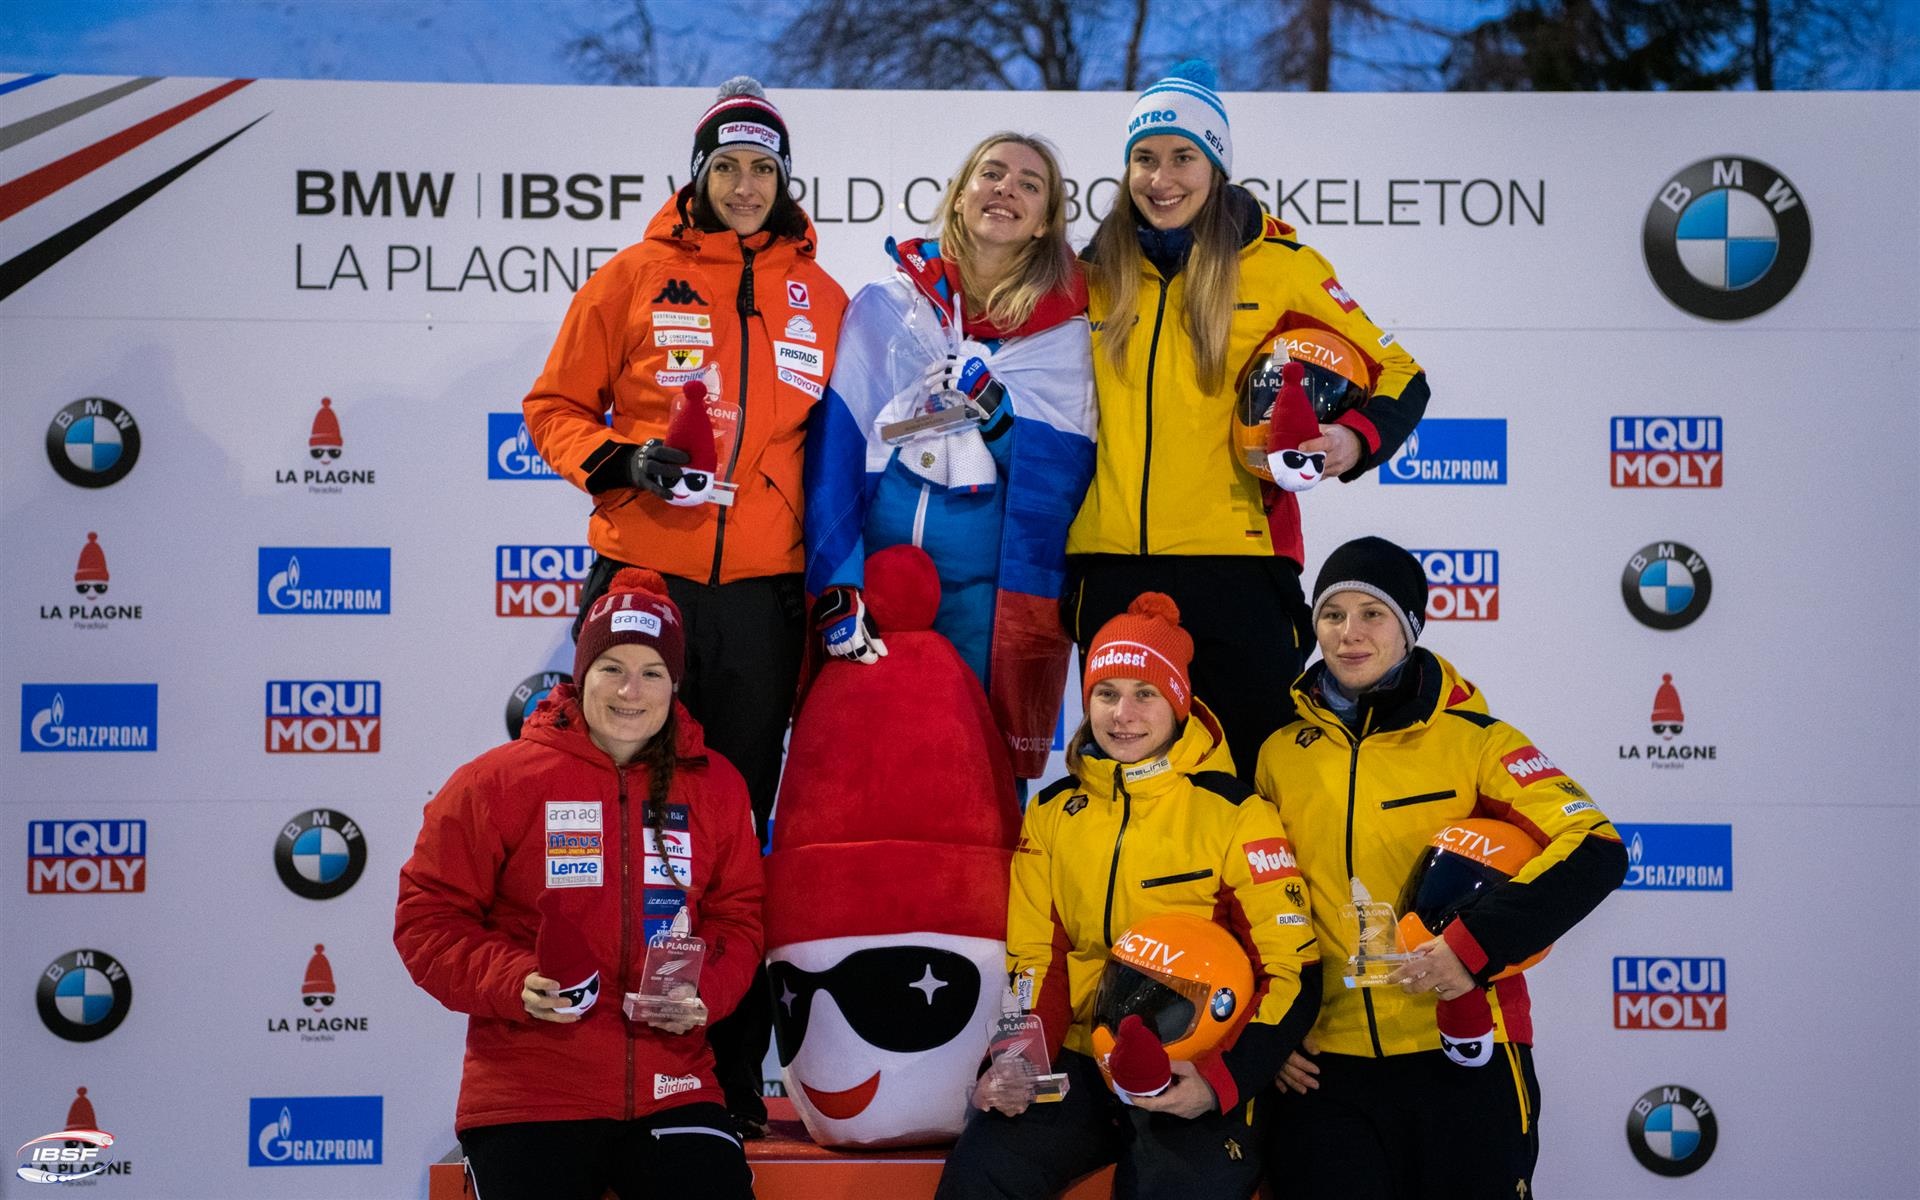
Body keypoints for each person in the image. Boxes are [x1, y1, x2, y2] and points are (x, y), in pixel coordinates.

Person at [522, 75, 847, 1133]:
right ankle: (593, 1057)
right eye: (727, 167)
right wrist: (622, 461)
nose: (745, 186)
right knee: (613, 811)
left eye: (762, 169)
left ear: (783, 183)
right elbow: (553, 407)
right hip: (643, 583)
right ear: (697, 177)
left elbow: (846, 448)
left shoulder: (825, 297)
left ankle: (725, 1068)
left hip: (761, 596)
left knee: (733, 825)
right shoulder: (631, 278)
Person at [1065, 60, 1431, 780]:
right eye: (1144, 159)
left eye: (1182, 157)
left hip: (1237, 566)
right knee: (1130, 785)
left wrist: (1352, 439)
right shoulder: (1089, 273)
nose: (1160, 178)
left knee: (1251, 777)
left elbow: (1401, 375)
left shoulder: (1279, 265)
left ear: (1216, 166)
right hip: (1107, 565)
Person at [1254, 536, 1629, 1199]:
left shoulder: (1476, 741)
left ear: (1409, 628)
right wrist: (1267, 1035)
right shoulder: (1279, 752)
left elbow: (1596, 846)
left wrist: (1473, 947)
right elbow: (1249, 903)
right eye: (1332, 614)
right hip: (1325, 1074)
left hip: (1463, 1052)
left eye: (1373, 614)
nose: (1349, 634)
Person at [394, 568, 764, 1200]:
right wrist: (515, 981)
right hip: (529, 1095)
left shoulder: (716, 785)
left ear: (675, 684)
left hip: (673, 1088)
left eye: (652, 672)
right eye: (611, 667)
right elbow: (428, 920)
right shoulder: (496, 783)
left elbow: (739, 917)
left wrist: (706, 990)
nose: (630, 690)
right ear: (581, 673)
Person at [936, 593, 1320, 1200]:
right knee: (982, 1170)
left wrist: (1224, 1079)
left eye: (1145, 693)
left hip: (1194, 1061)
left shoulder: (1235, 812)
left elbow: (1292, 965)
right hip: (1079, 1062)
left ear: (1178, 702)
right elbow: (1036, 962)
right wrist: (1012, 1061)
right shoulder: (1054, 812)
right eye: (1106, 692)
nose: (1124, 714)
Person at [802, 131, 1095, 783]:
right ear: (960, 196)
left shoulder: (1067, 334)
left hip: (986, 601)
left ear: (1046, 220)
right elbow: (835, 452)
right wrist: (837, 583)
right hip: (877, 589)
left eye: (1028, 184)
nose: (1005, 190)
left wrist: (995, 413)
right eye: (991, 174)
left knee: (974, 773)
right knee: (862, 771)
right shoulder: (886, 307)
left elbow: (1062, 485)